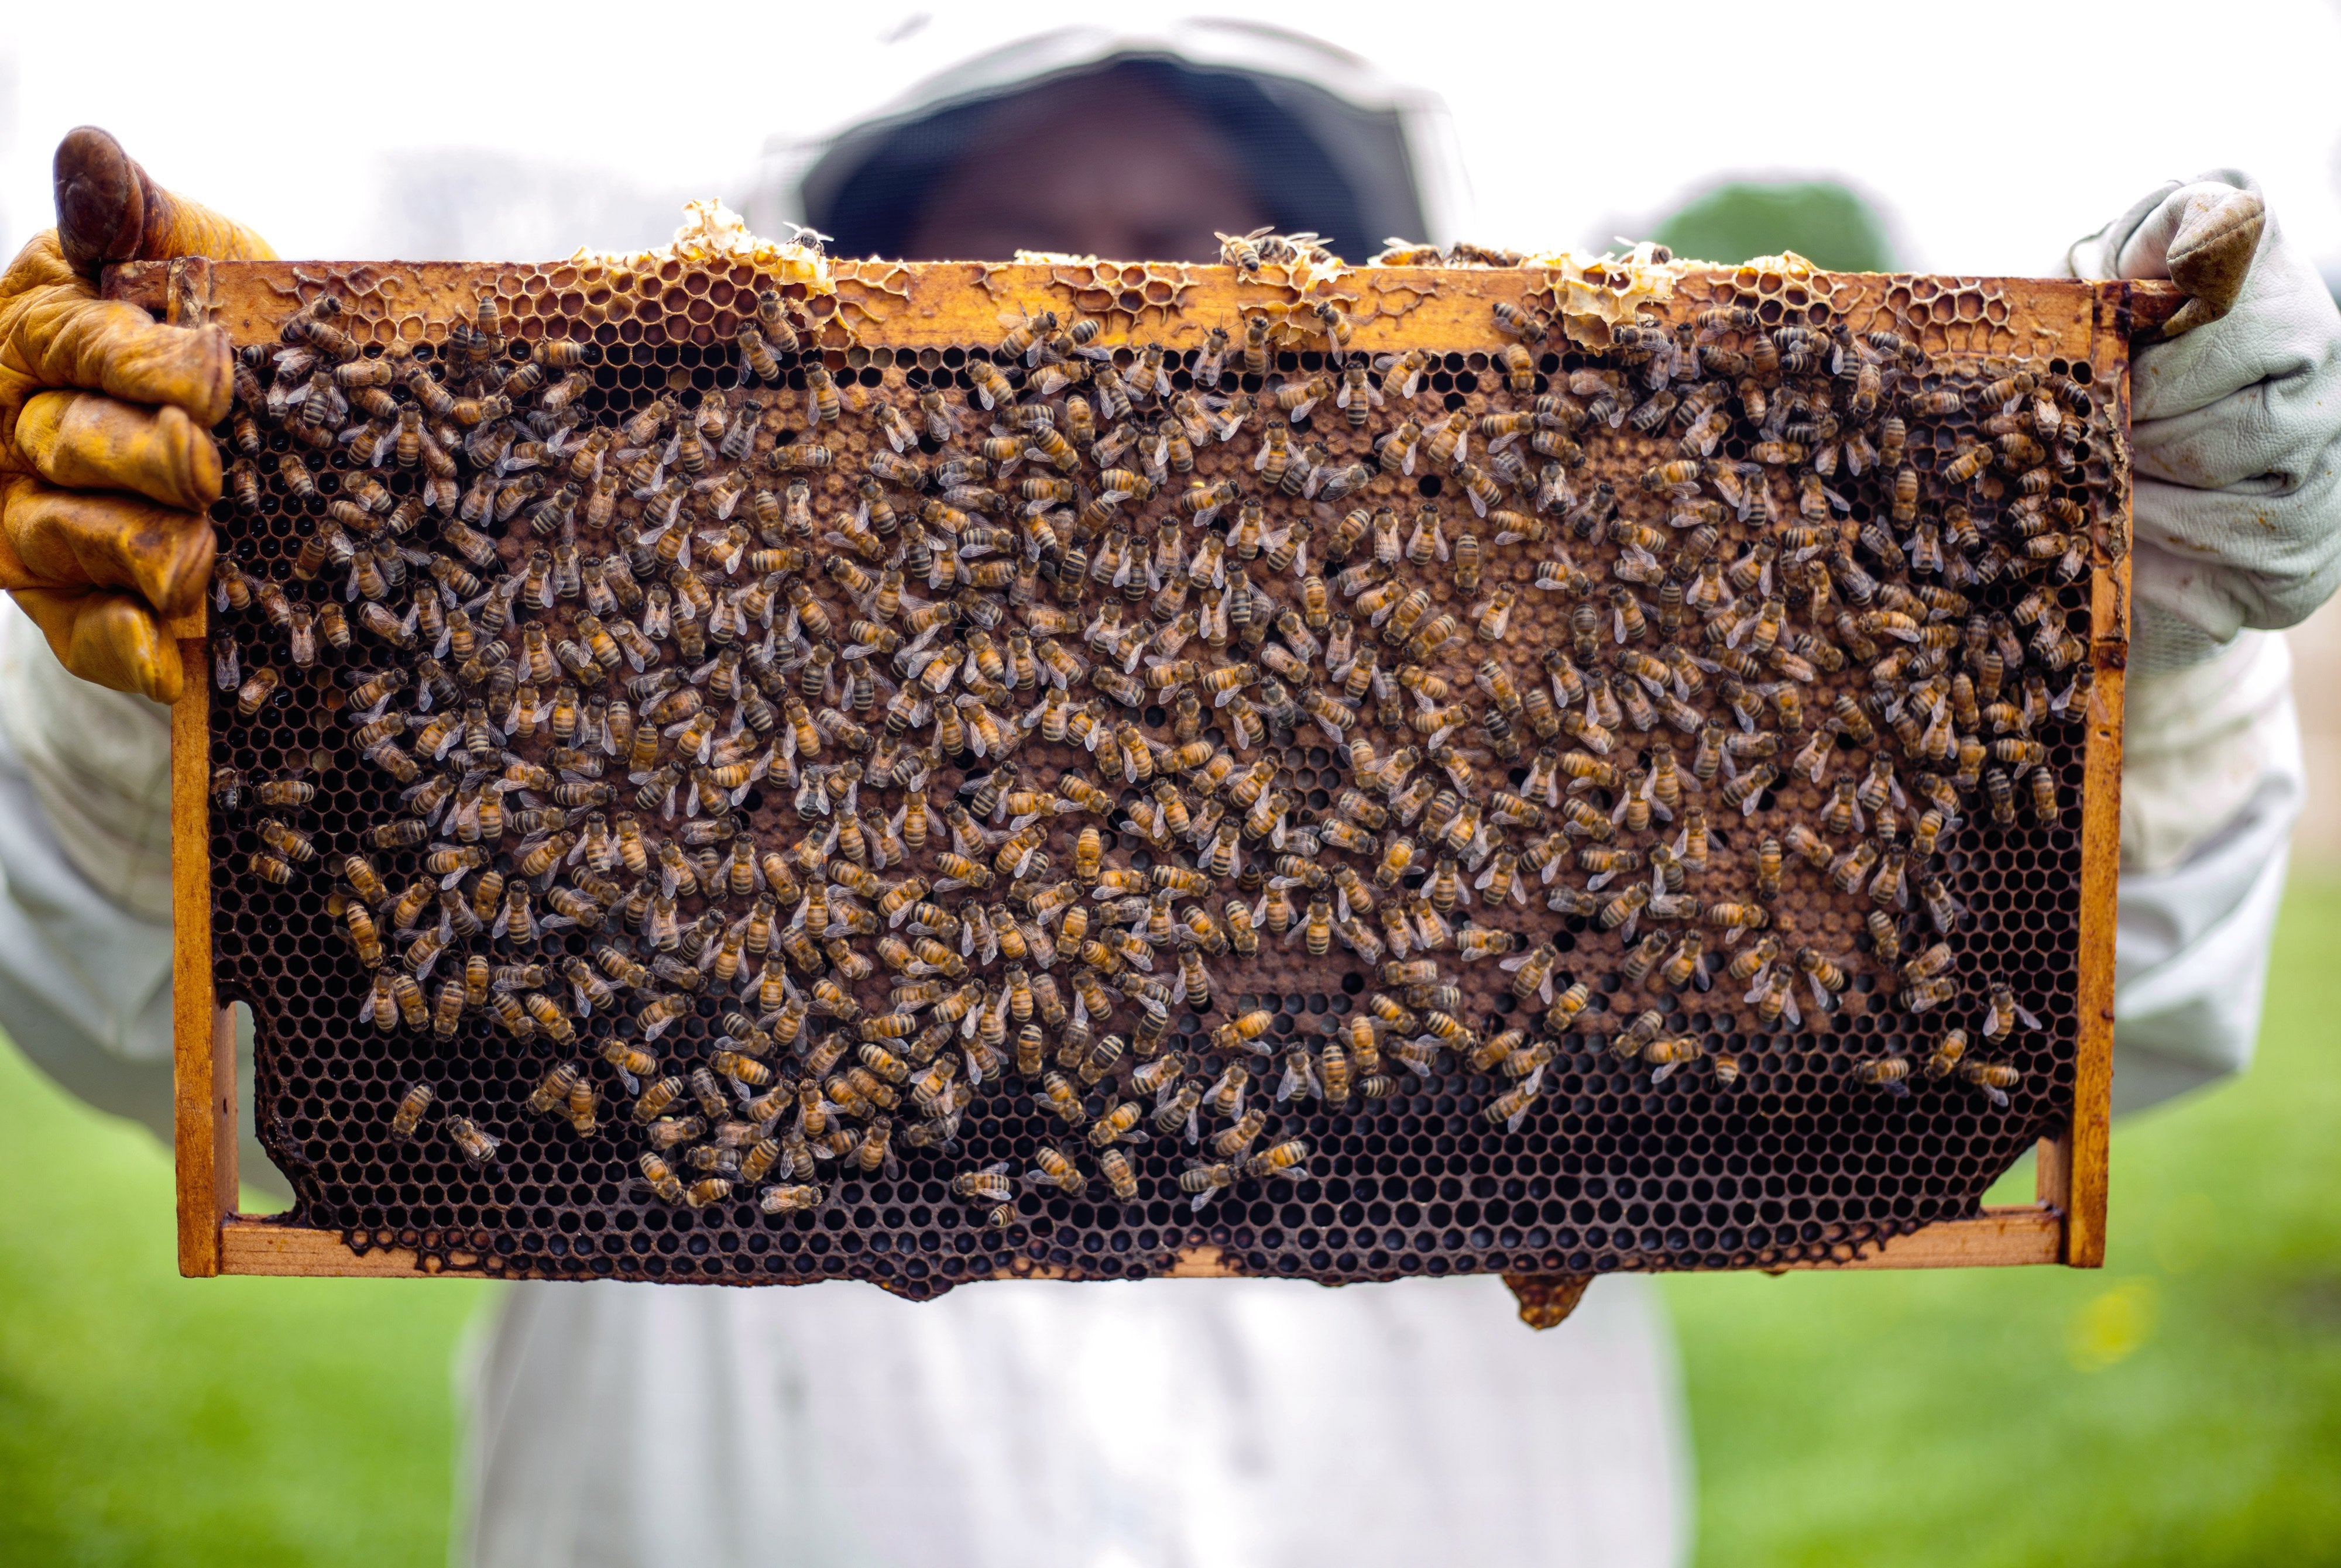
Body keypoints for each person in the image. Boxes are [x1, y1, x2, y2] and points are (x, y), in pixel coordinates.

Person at [1, 22, 2335, 1566]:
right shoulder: (562, 703)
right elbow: (162, 1026)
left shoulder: (1558, 753)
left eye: (1195, 269)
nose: (1110, 341)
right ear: (831, 322)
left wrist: (2168, 623)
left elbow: (2074, 1009)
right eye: (1005, 271)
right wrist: (186, 686)